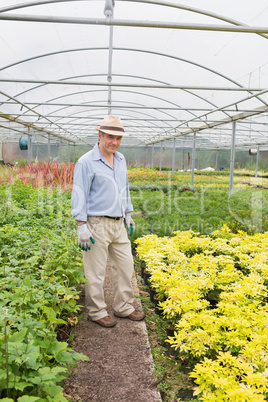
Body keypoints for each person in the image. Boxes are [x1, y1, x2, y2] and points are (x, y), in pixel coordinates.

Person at [71, 115, 145, 328]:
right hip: (96, 223)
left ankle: (124, 307)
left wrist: (128, 213)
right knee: (96, 271)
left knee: (126, 266)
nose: (114, 142)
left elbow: (124, 188)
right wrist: (81, 226)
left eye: (118, 138)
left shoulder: (120, 159)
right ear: (100, 135)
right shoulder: (86, 162)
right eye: (110, 137)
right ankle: (97, 311)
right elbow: (79, 194)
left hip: (118, 223)